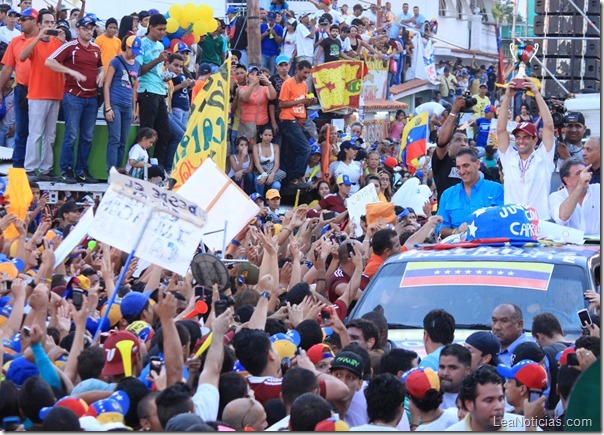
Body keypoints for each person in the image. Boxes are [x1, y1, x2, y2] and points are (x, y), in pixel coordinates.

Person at [46, 15, 103, 184]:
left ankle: (81, 170)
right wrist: (70, 71)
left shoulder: (95, 48)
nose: (89, 31)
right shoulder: (70, 46)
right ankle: (66, 170)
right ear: (77, 30)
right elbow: (49, 61)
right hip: (73, 96)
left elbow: (100, 65)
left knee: (87, 137)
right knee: (71, 135)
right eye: (85, 28)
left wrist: (102, 73)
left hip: (92, 97)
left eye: (91, 28)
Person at [496, 80, 555, 220]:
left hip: (540, 223)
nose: (521, 141)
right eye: (518, 137)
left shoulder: (544, 157)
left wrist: (536, 93)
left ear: (535, 140)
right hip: (512, 222)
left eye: (526, 137)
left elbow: (549, 125)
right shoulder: (509, 157)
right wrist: (507, 96)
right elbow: (501, 129)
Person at [20, 9, 65, 182]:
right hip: (38, 94)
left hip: (54, 94)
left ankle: (46, 169)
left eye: (51, 22)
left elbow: (69, 59)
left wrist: (63, 41)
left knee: (50, 135)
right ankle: (30, 168)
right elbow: (22, 57)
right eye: (45, 22)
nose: (49, 25)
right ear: (38, 25)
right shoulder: (32, 41)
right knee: (36, 133)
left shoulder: (58, 43)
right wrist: (39, 37)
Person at [0, 7, 39, 169]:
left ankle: (36, 168)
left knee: (39, 133)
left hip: (42, 92)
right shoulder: (15, 42)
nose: (19, 21)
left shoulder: (45, 41)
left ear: (35, 21)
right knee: (22, 131)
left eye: (23, 19)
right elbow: (7, 69)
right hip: (23, 90)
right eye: (18, 19)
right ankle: (18, 166)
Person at [446, 365, 541, 431]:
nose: (498, 406)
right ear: (469, 404)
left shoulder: (525, 426)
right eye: (489, 400)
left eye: (500, 399)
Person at [436, 148, 504, 237]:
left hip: (489, 247)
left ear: (478, 164)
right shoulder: (447, 195)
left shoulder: (496, 189)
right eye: (458, 167)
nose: (462, 171)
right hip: (457, 248)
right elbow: (439, 228)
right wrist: (456, 231)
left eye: (466, 165)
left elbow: (503, 222)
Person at [135, 13, 171, 169]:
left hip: (159, 90)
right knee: (146, 133)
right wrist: (157, 60)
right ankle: (140, 166)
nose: (162, 32)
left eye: (164, 29)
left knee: (164, 133)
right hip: (146, 90)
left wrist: (166, 75)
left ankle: (157, 168)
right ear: (150, 27)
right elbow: (138, 70)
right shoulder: (142, 44)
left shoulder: (160, 46)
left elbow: (157, 70)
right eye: (159, 29)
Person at [104, 35, 141, 172]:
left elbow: (133, 88)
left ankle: (119, 169)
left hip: (127, 105)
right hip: (115, 103)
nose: (135, 54)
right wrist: (108, 107)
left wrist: (133, 108)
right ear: (127, 47)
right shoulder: (116, 61)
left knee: (123, 141)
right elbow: (107, 85)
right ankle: (111, 170)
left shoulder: (137, 65)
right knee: (115, 138)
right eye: (133, 51)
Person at [278, 60, 315, 189]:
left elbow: (303, 103)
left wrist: (310, 102)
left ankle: (290, 179)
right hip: (288, 120)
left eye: (308, 73)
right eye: (304, 72)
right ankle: (295, 176)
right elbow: (282, 104)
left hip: (299, 121)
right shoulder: (287, 84)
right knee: (305, 148)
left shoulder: (304, 84)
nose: (306, 75)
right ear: (297, 70)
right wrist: (302, 101)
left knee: (293, 151)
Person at [548, 158, 600, 235]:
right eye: (579, 173)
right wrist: (579, 186)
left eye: (585, 172)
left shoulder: (598, 190)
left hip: (597, 244)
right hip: (570, 245)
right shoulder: (556, 196)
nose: (584, 176)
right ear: (566, 180)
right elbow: (562, 217)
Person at [437, 344, 472, 409]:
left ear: (467, 371)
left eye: (452, 368)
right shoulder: (427, 391)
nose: (445, 373)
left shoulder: (476, 398)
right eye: (442, 367)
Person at [253, 126, 284, 195]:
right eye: (265, 135)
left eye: (270, 135)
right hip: (261, 172)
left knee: (276, 186)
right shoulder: (256, 147)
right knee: (259, 181)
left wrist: (272, 174)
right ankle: (261, 201)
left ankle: (271, 201)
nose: (268, 137)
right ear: (261, 135)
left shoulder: (275, 147)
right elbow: (257, 163)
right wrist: (264, 175)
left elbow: (277, 163)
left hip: (273, 172)